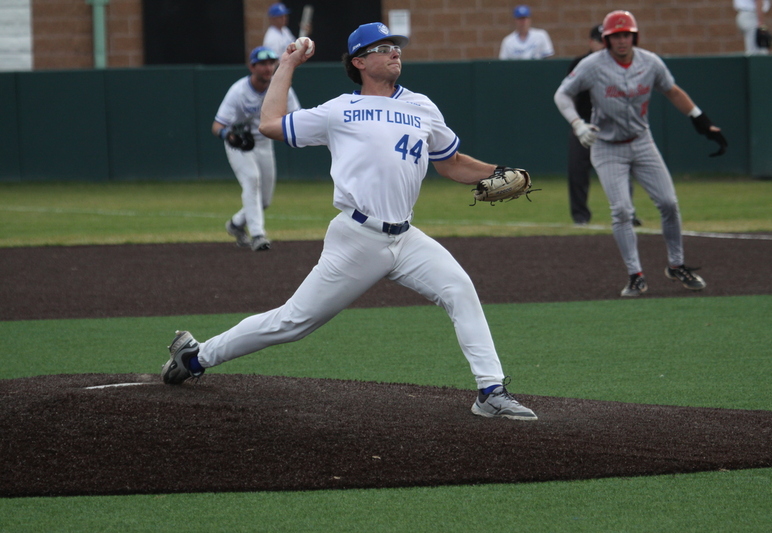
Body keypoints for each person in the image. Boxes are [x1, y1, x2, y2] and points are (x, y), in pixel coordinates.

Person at [161, 23, 538, 421]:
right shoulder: (339, 110)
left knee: (460, 290)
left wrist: (498, 171)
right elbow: (270, 123)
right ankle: (197, 356)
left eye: (396, 46)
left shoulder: (422, 107)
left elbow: (452, 163)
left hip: (406, 238)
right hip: (357, 238)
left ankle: (491, 392)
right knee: (293, 322)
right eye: (383, 47)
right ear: (359, 61)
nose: (395, 52)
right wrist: (287, 63)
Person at [554, 10, 727, 297]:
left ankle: (677, 265)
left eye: (626, 35)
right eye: (615, 36)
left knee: (669, 203)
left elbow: (672, 91)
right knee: (621, 210)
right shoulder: (592, 65)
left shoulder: (650, 63)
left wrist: (702, 121)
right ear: (607, 40)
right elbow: (562, 94)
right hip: (607, 146)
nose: (622, 40)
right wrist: (577, 123)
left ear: (634, 36)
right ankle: (636, 274)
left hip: (641, 141)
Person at [212, 46, 302, 251]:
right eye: (262, 64)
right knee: (252, 180)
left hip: (264, 143)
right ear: (252, 66)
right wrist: (228, 136)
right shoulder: (238, 91)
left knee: (264, 200)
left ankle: (235, 224)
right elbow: (217, 126)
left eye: (271, 63)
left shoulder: (282, 88)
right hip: (239, 145)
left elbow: (297, 115)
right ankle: (258, 235)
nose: (268, 67)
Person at [566, 24, 640, 227]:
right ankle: (580, 217)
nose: (602, 45)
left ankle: (629, 214)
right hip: (584, 125)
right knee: (578, 173)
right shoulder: (580, 63)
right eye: (599, 41)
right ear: (591, 42)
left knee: (622, 170)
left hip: (610, 126)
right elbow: (567, 95)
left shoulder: (617, 63)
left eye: (604, 40)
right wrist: (575, 122)